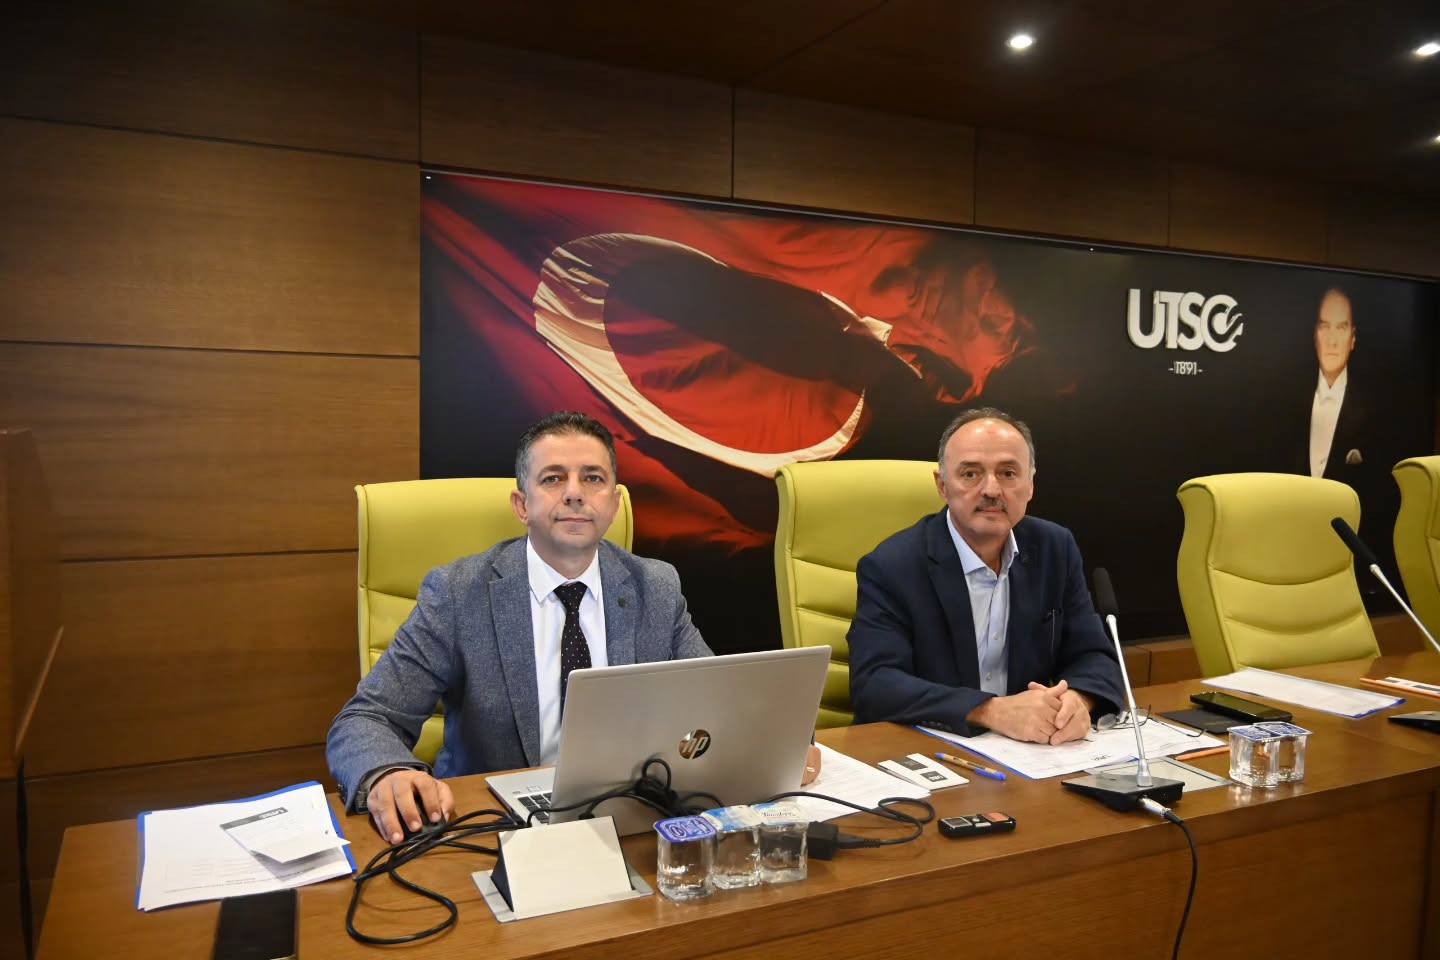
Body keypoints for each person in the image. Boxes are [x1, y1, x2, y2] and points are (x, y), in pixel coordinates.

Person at [326, 412, 716, 843]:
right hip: (493, 825)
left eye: (592, 478)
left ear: (614, 503)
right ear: (522, 505)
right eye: (553, 478)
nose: (574, 493)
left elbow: (714, 706)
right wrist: (389, 773)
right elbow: (367, 719)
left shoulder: (655, 587)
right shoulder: (458, 593)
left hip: (630, 820)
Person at [847, 407, 1124, 744]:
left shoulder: (1055, 548)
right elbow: (875, 684)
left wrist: (1078, 701)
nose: (992, 489)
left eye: (1008, 473)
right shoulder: (892, 566)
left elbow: (1094, 656)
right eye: (971, 474)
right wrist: (990, 710)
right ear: (942, 486)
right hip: (930, 747)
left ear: (1030, 486)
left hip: (1029, 752)